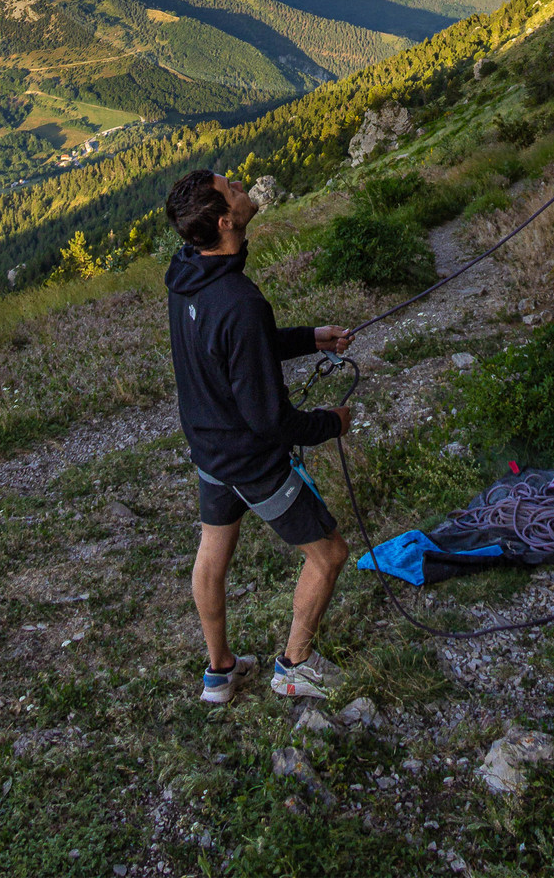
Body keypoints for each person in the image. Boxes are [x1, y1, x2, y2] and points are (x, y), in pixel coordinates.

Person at [165, 167, 356, 706]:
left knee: (214, 551)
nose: (244, 189)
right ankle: (295, 665)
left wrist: (307, 339)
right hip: (251, 460)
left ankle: (219, 673)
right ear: (226, 221)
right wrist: (329, 423)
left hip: (209, 449)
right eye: (234, 191)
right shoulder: (241, 301)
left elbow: (231, 346)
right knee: (330, 555)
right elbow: (271, 420)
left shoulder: (186, 272)